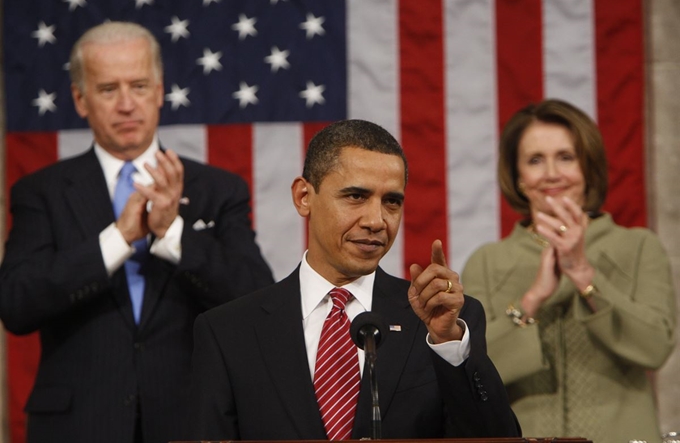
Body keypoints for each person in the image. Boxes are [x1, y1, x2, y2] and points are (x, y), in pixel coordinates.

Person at [0, 21, 274, 443]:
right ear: (80, 99)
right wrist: (118, 239)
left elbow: (256, 300)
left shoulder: (218, 190)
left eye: (140, 86)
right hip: (77, 427)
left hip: (189, 423)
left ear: (161, 91)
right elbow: (16, 305)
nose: (127, 104)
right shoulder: (42, 192)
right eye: (109, 89)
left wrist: (172, 235)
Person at [187, 119, 521, 440]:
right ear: (304, 196)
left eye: (391, 202)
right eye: (356, 197)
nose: (377, 221)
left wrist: (449, 344)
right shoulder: (228, 332)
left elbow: (494, 439)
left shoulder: (443, 321)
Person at [462, 99, 676, 443]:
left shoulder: (638, 247)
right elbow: (471, 378)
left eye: (566, 157)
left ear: (588, 168)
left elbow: (655, 348)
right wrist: (531, 300)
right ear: (517, 178)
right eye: (535, 160)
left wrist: (584, 276)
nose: (551, 173)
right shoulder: (486, 262)